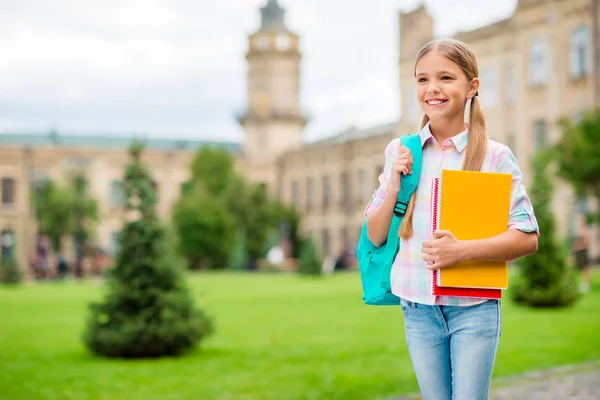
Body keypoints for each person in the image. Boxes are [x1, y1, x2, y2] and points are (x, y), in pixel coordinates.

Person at [364, 39, 539, 400]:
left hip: (473, 309)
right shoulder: (402, 151)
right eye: (423, 79)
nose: (433, 89)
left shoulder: (495, 156)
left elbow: (527, 236)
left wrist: (462, 251)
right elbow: (377, 236)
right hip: (417, 308)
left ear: (472, 86)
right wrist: (394, 185)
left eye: (446, 77)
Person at [572, 215, 591, 293]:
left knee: (585, 268)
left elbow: (587, 242)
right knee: (577, 267)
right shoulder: (579, 230)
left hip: (583, 252)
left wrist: (579, 246)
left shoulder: (585, 230)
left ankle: (586, 284)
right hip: (578, 252)